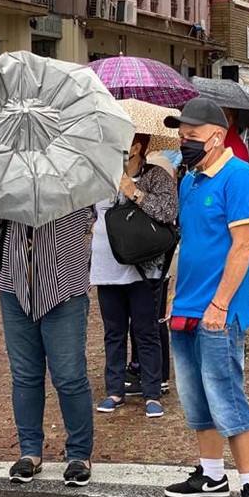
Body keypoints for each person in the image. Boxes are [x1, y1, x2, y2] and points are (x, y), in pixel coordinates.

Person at [161, 97, 249, 497]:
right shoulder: (189, 181)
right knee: (195, 398)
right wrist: (175, 297)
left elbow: (243, 247)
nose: (184, 142)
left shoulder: (238, 176)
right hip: (187, 306)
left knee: (226, 395)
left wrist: (220, 302)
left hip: (219, 310)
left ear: (217, 135)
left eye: (192, 135)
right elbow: (190, 245)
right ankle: (211, 474)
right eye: (181, 135)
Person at [0, 207, 95, 487]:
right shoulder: (8, 182)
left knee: (69, 376)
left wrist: (47, 201)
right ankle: (30, 452)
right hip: (14, 286)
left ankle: (79, 454)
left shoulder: (72, 181)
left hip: (64, 286)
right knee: (24, 375)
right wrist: (12, 197)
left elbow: (87, 218)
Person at [91, 132, 178, 419]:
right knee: (113, 332)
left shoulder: (157, 176)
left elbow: (168, 212)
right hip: (107, 268)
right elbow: (88, 212)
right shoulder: (100, 175)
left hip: (144, 269)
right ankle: (114, 391)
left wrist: (134, 192)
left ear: (136, 147)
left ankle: (152, 393)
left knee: (146, 331)